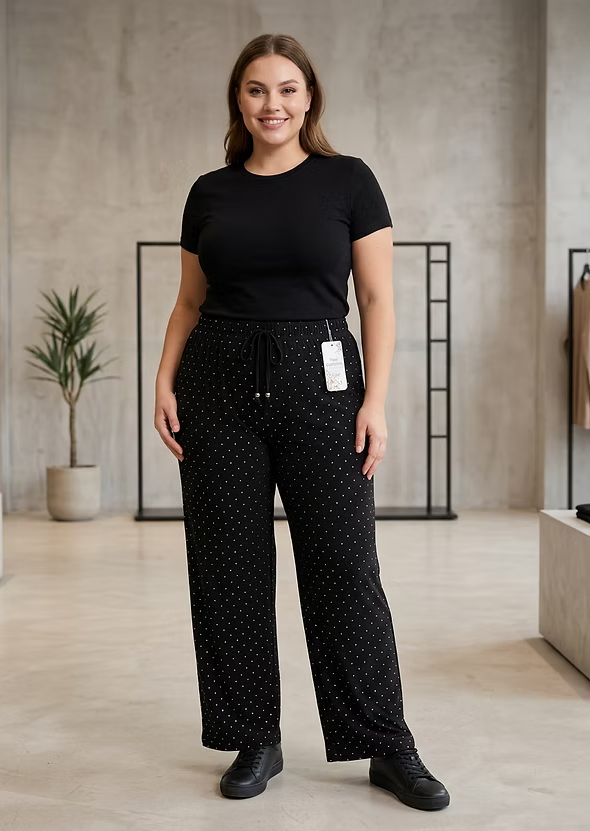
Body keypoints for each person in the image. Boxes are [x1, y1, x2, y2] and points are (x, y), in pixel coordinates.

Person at [154, 33, 450, 812]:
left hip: (323, 385)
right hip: (216, 385)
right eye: (256, 89)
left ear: (309, 97)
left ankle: (385, 743)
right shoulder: (209, 192)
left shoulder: (348, 181)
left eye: (286, 89)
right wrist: (163, 379)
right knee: (228, 568)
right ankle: (254, 735)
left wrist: (374, 400)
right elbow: (188, 301)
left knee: (345, 567)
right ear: (238, 100)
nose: (272, 104)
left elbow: (377, 300)